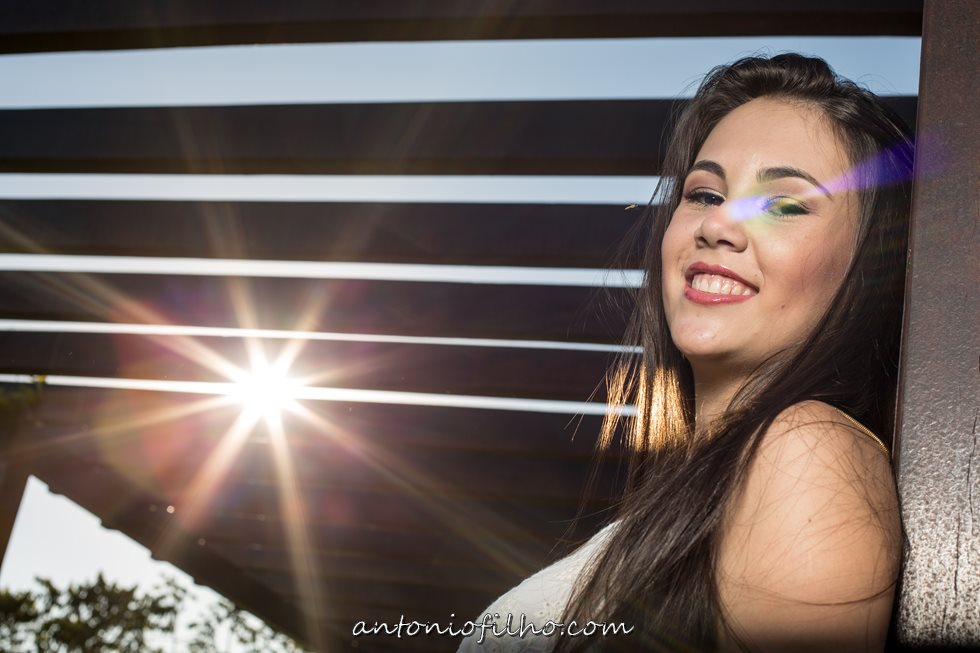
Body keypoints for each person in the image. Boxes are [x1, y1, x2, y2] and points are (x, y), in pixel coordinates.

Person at [457, 52, 914, 653]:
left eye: (783, 204)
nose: (717, 225)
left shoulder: (807, 450)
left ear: (869, 270)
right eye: (704, 194)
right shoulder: (701, 496)